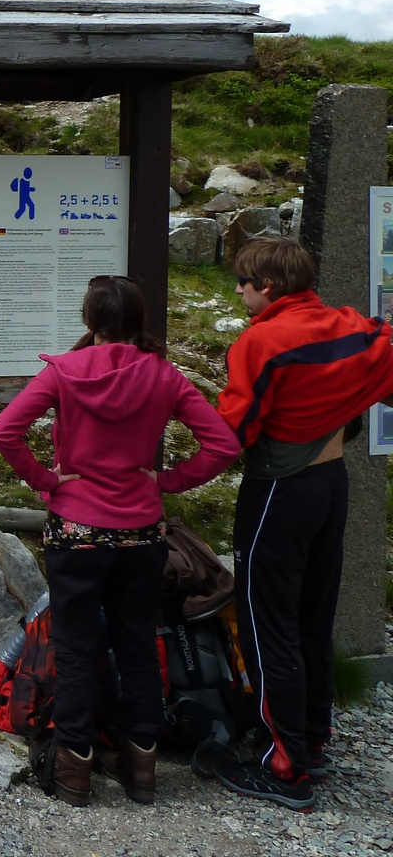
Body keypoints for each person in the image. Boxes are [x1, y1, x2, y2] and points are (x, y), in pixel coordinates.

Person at [155, 236, 393, 812]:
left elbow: (228, 436)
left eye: (243, 282)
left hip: (279, 493)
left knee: (268, 624)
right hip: (332, 486)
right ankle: (310, 739)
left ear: (268, 286)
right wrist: (344, 408)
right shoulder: (352, 326)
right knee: (313, 615)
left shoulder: (261, 341)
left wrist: (167, 482)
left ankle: (283, 765)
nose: (236, 291)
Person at [0, 275, 239, 807]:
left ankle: (74, 770)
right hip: (143, 533)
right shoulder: (165, 376)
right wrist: (167, 480)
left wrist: (48, 480)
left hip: (76, 531)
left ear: (90, 321)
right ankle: (141, 767)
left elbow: (4, 431)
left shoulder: (63, 372)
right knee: (136, 648)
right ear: (138, 320)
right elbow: (223, 443)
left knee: (77, 650)